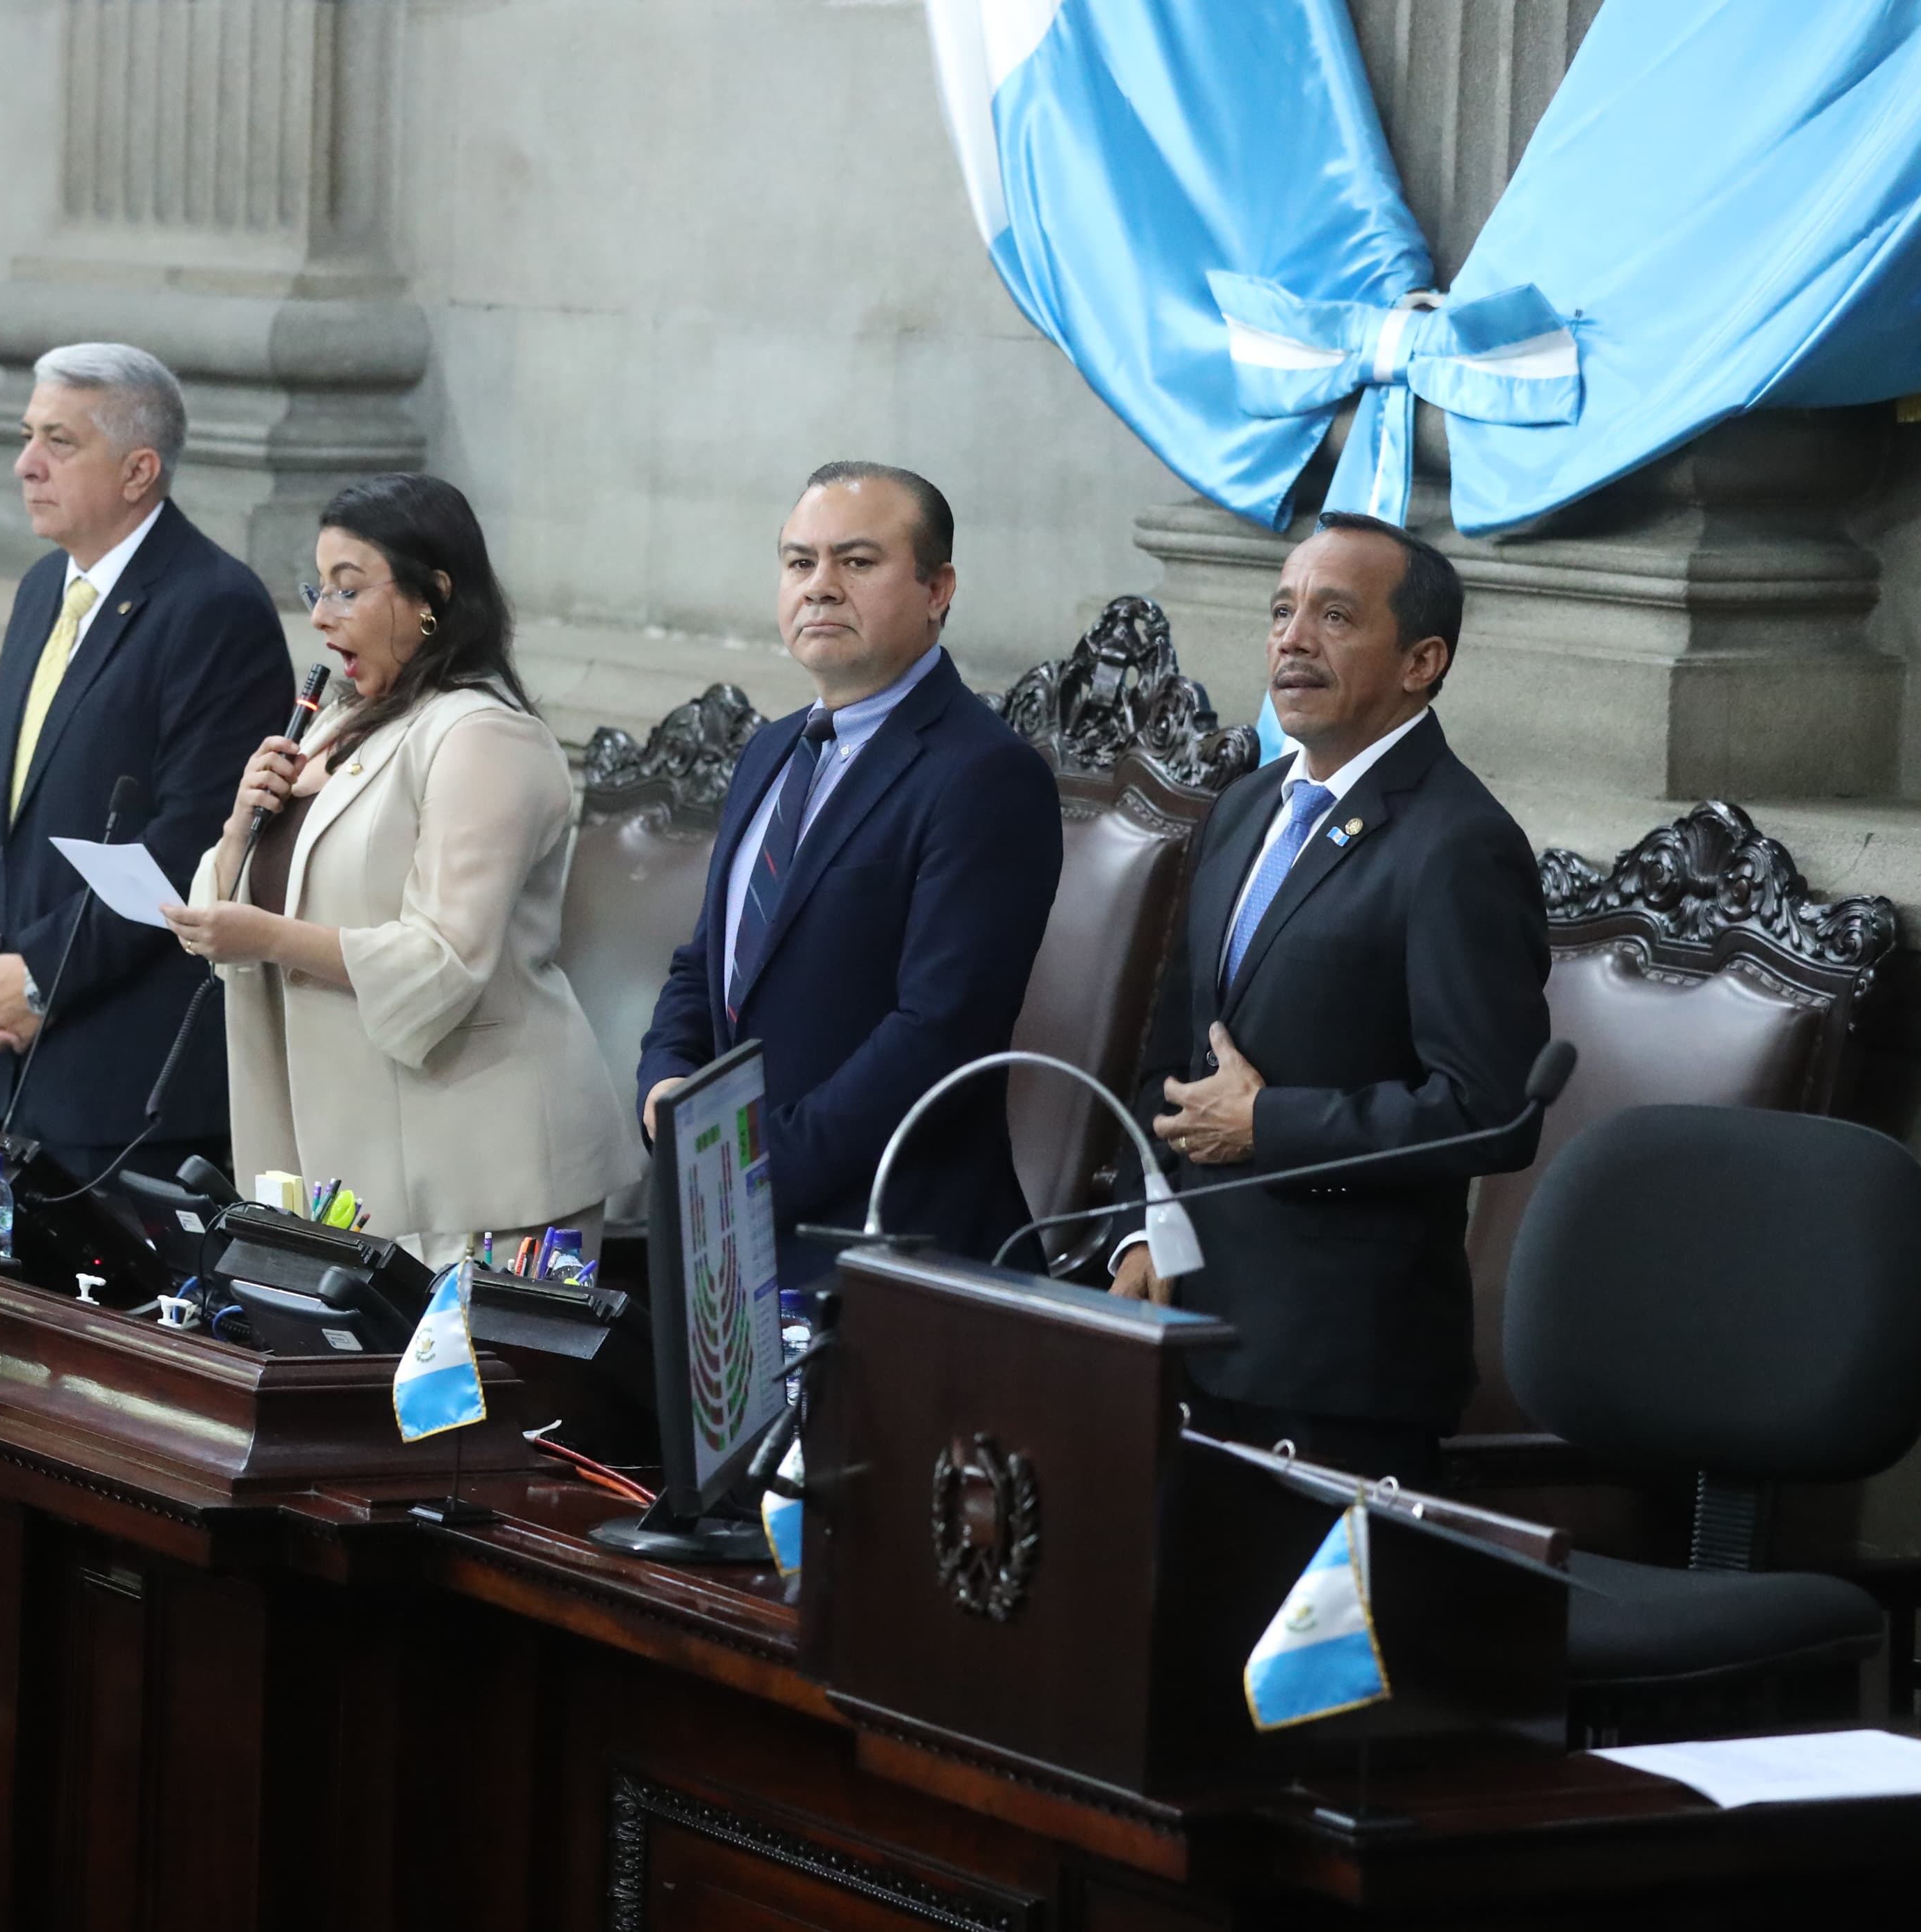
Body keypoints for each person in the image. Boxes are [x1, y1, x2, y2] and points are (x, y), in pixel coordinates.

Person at [1111, 511, 1550, 1487]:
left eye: (1336, 616)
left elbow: (1490, 1112)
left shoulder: (1457, 845)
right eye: (1282, 611)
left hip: (1335, 1371)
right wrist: (1139, 1226)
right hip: (1182, 1331)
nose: (1292, 639)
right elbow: (1170, 1058)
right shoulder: (1243, 807)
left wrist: (1271, 1122)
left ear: (1421, 661)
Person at [162, 474, 643, 1263]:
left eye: (347, 591)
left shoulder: (483, 736)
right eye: (316, 589)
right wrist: (239, 820)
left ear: (432, 599)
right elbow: (225, 914)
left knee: (461, 1391)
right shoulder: (337, 726)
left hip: (478, 1174)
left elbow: (441, 962)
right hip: (343, 1163)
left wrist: (268, 936)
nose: (320, 616)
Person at [635, 463, 1061, 1283]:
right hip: (731, 1235)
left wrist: (754, 1168)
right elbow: (708, 966)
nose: (819, 587)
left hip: (888, 1251)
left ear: (938, 588)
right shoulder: (770, 749)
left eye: (856, 562)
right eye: (799, 563)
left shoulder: (983, 773)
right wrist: (667, 1082)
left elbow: (937, 1030)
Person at [0, 343, 293, 1184]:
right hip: (16, 1066)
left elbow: (192, 846)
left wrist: (39, 981)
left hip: (129, 1091)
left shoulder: (213, 608)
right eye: (27, 436)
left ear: (138, 471)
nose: (25, 465)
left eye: (58, 443)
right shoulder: (39, 589)